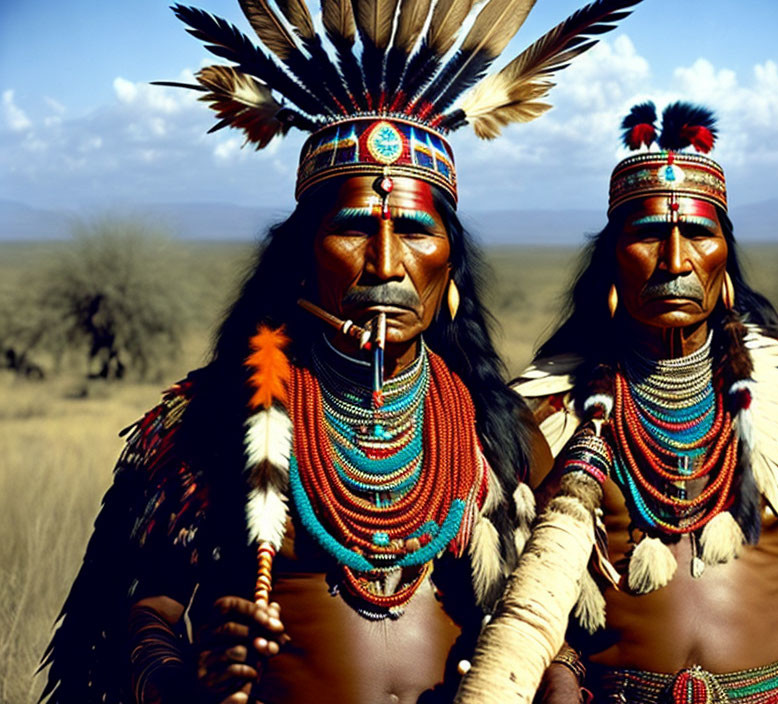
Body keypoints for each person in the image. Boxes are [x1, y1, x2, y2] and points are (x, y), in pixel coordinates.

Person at [39, 1, 642, 702]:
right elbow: (147, 610)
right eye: (354, 228)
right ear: (301, 261)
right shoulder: (211, 422)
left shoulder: (499, 433)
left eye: (416, 231)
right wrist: (185, 678)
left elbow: (547, 619)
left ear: (450, 269)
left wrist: (557, 678)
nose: (385, 262)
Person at [455, 101, 778, 704]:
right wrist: (559, 673)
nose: (676, 260)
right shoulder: (550, 414)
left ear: (724, 259)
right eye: (648, 235)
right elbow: (531, 591)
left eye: (699, 234)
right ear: (613, 263)